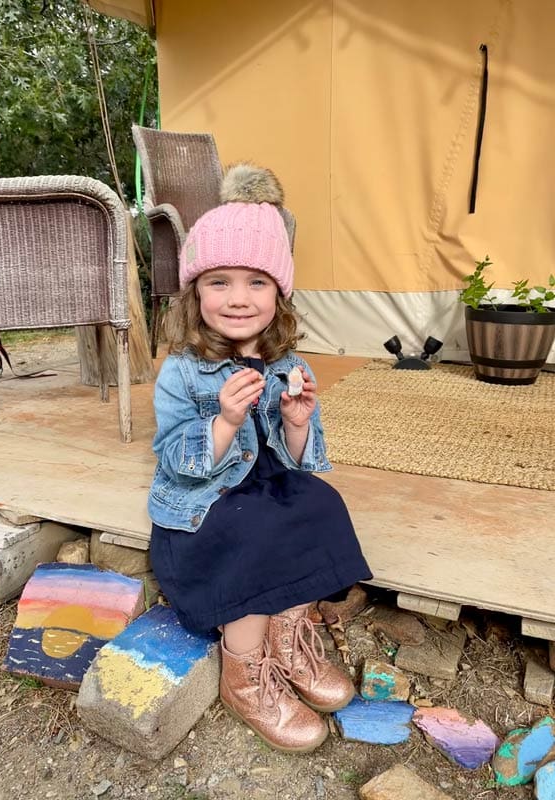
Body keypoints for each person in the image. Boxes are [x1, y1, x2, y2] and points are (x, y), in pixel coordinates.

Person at [148, 163, 372, 753]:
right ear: (195, 292)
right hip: (206, 505)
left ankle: (291, 637)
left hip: (267, 486)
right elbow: (176, 462)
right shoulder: (182, 371)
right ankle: (245, 673)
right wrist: (222, 422)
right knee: (252, 532)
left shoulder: (287, 362)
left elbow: (300, 460)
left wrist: (298, 424)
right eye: (218, 282)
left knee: (317, 504)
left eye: (257, 282)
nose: (239, 299)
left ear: (280, 292)